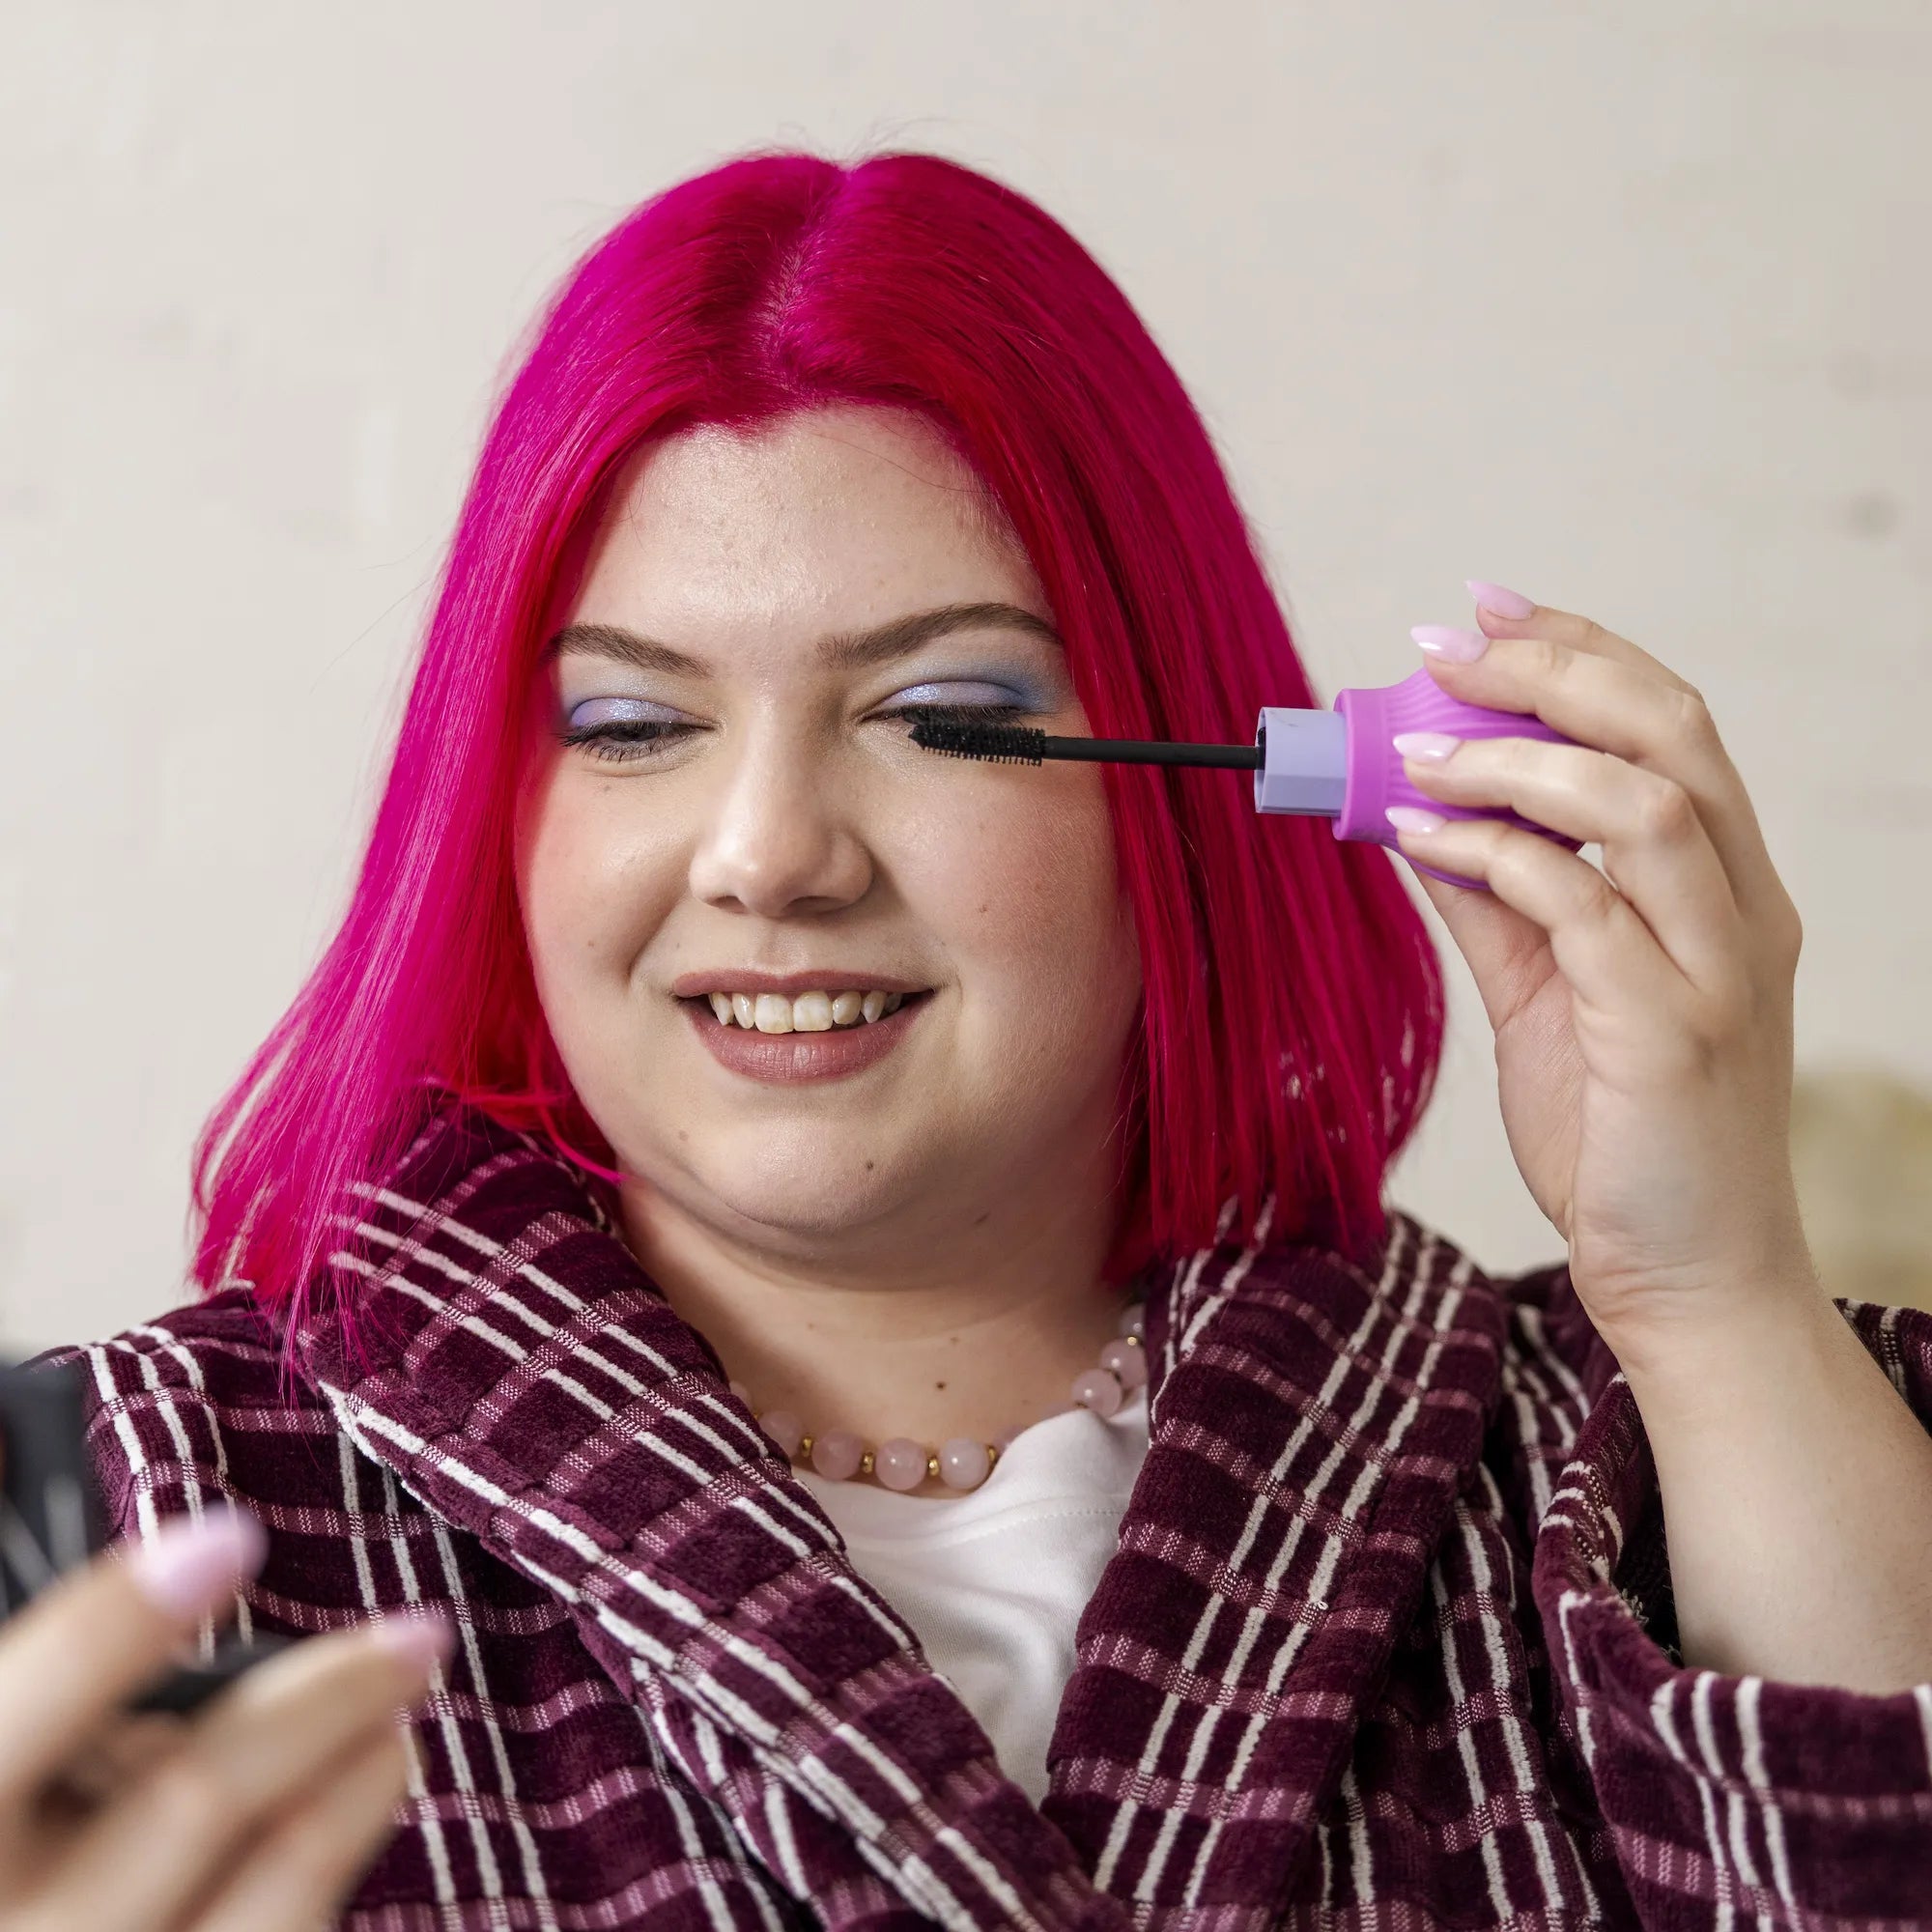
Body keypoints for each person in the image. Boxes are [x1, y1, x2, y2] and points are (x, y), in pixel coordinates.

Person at [7, 149, 1930, 1932]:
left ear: (1182, 790)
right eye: (626, 726)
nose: (767, 854)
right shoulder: (117, 1521)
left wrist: (1709, 1286)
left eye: (936, 710)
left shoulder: (1609, 1469)